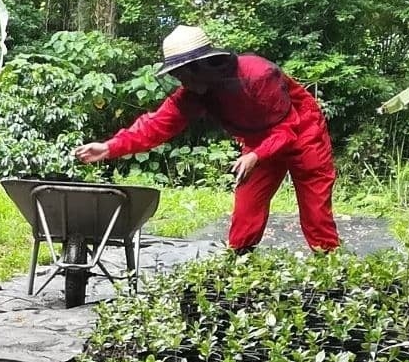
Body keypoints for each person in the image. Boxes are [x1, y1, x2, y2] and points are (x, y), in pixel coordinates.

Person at [74, 27, 340, 254]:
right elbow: (155, 125)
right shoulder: (193, 94)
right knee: (246, 210)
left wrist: (255, 155)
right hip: (257, 142)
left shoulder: (257, 74)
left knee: (315, 211)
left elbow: (287, 129)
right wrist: (109, 147)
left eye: (182, 73)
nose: (180, 80)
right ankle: (239, 265)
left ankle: (329, 268)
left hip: (302, 132)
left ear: (201, 66)